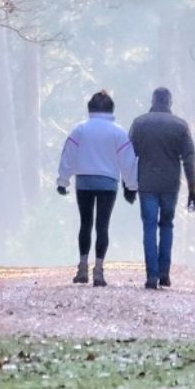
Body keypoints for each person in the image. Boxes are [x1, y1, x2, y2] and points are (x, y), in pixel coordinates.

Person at [55, 90, 138, 286]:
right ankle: (99, 270)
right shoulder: (118, 132)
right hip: (108, 183)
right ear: (111, 109)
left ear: (90, 109)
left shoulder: (80, 130)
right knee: (102, 226)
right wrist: (131, 185)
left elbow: (68, 155)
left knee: (85, 224)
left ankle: (82, 266)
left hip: (84, 181)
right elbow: (128, 161)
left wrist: (63, 180)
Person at [127, 86, 195, 290]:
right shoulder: (180, 126)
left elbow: (129, 157)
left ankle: (152, 275)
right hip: (170, 184)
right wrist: (193, 188)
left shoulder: (139, 123)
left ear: (152, 100)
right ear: (170, 102)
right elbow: (189, 159)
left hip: (146, 183)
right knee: (166, 225)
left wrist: (129, 184)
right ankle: (165, 273)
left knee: (149, 226)